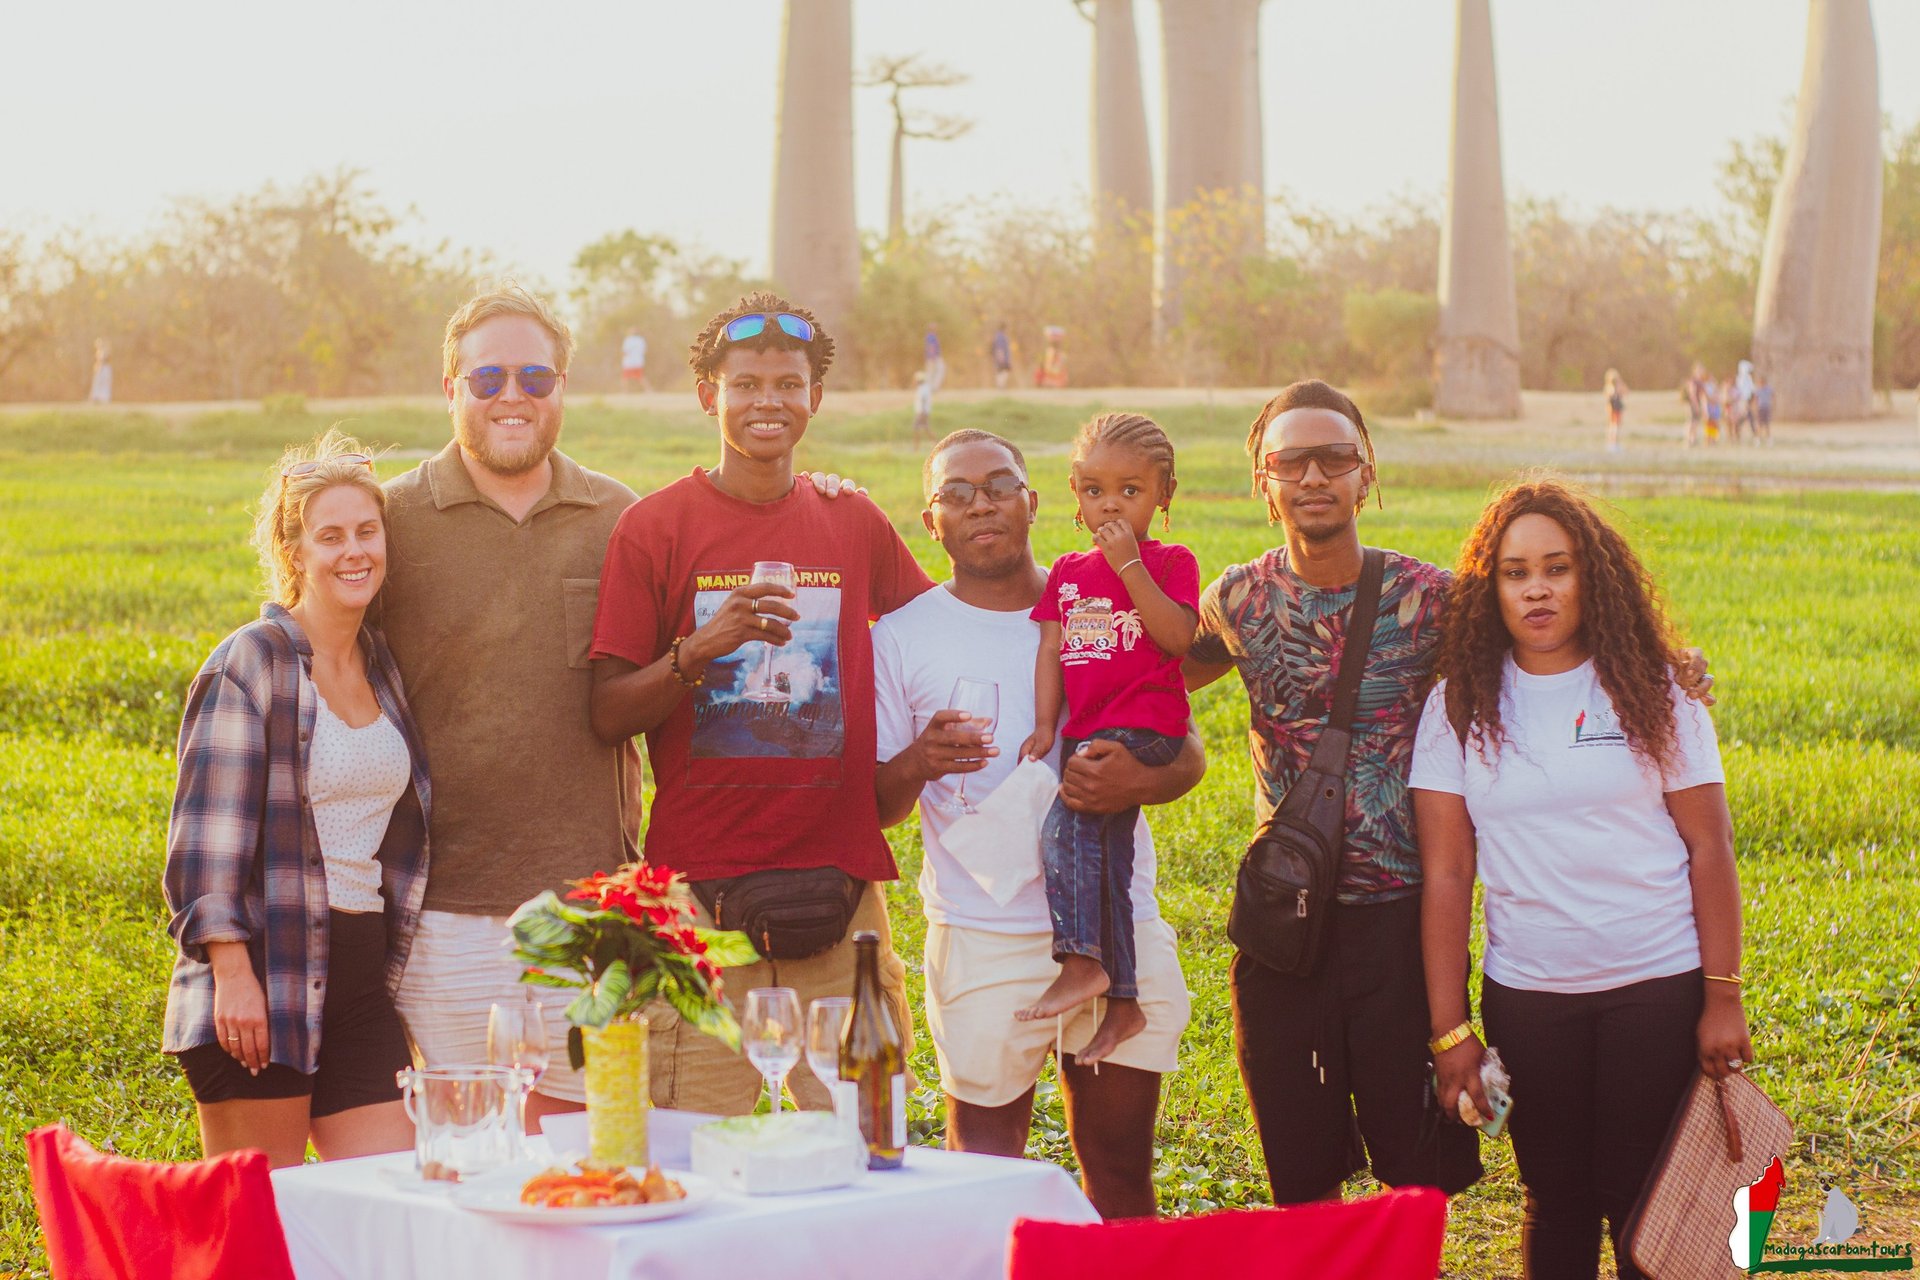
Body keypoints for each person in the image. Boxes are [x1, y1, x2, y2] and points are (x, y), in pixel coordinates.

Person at [588, 292, 934, 1114]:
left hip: (843, 899)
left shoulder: (851, 520)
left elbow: (936, 633)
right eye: (746, 384)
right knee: (695, 1158)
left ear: (815, 397)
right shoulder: (655, 528)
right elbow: (606, 713)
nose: (767, 402)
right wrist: (701, 649)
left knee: (860, 1153)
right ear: (709, 395)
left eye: (788, 383)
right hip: (700, 901)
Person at [1412, 478, 1751, 1280]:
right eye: (1515, 571)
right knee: (1555, 1198)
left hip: (1656, 986)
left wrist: (1723, 995)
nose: (1537, 588)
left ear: (1590, 577)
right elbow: (1448, 872)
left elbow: (1710, 849)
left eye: (1557, 568)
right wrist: (1450, 1030)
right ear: (1489, 587)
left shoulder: (1657, 691)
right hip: (1530, 994)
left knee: (1646, 1201)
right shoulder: (1458, 705)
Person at [873, 428, 1203, 1218]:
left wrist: (1136, 780)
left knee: (1121, 1173)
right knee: (981, 1179)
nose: (980, 503)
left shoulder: (1105, 592)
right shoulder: (903, 636)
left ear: (1034, 501)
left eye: (998, 485)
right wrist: (921, 759)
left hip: (1116, 925)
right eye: (956, 492)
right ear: (932, 521)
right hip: (984, 933)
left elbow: (1186, 752)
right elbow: (878, 806)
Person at [1181, 379, 1483, 1205]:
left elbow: (1542, 654)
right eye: (1291, 461)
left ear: (1365, 472)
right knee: (1300, 1166)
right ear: (1263, 480)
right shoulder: (1239, 598)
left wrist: (1668, 674)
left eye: (1334, 457)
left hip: (1402, 918)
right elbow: (1155, 682)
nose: (1313, 477)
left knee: (1417, 1168)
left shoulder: (1430, 600)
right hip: (1286, 924)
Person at [380, 285, 642, 1130]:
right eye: (487, 379)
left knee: (583, 1153)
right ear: (449, 387)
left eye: (534, 376)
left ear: (563, 384)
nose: (512, 397)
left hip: (588, 900)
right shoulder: (393, 519)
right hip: (444, 905)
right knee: (468, 1148)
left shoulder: (618, 515)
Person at [162, 429, 428, 1169]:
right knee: (260, 1226)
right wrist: (233, 974)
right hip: (265, 977)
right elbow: (203, 845)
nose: (354, 552)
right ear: (295, 552)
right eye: (330, 536)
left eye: (367, 532)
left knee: (384, 1202)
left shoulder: (382, 668)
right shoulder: (251, 662)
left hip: (359, 978)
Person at [1017, 413, 1197, 1056]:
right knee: (1109, 865)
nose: (1110, 505)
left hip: (1147, 727)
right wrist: (1045, 726)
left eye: (1130, 491)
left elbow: (1178, 640)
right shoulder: (1065, 570)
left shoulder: (1170, 561)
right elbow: (1051, 650)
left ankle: (1080, 962)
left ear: (1163, 494)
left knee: (1065, 829)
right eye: (1094, 491)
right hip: (1086, 730)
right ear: (1074, 493)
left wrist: (1128, 568)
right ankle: (1123, 1002)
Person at [1602, 369, 1627, 452]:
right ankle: (1612, 443)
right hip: (1614, 409)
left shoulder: (1611, 387)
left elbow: (1625, 392)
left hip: (1616, 409)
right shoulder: (1611, 388)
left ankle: (1613, 443)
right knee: (1614, 426)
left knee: (1614, 426)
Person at [990, 323, 1014, 390]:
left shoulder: (999, 336)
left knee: (1001, 371)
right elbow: (999, 348)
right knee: (1002, 371)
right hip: (1002, 357)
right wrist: (1001, 357)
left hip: (1002, 357)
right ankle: (1000, 385)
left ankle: (1001, 385)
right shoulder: (1000, 337)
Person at [88, 339, 112, 404]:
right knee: (98, 384)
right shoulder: (100, 351)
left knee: (101, 383)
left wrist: (99, 369)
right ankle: (97, 398)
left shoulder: (103, 351)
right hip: (101, 369)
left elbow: (102, 361)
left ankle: (102, 398)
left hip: (103, 369)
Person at [911, 370, 933, 443]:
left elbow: (923, 401)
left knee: (916, 428)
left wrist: (922, 414)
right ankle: (935, 443)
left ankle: (916, 447)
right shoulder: (924, 388)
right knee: (926, 429)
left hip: (922, 412)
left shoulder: (923, 389)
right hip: (923, 412)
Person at [924, 325, 946, 393]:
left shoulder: (930, 336)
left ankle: (930, 388)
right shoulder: (931, 337)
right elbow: (931, 346)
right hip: (934, 357)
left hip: (931, 357)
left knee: (930, 373)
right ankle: (933, 388)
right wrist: (932, 356)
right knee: (939, 370)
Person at [1753, 374, 1774, 444]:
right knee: (1759, 424)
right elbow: (1755, 399)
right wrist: (1755, 408)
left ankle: (1768, 439)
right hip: (1760, 408)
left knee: (1767, 424)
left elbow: (1773, 397)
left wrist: (1773, 406)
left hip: (1766, 407)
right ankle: (1757, 439)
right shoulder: (1758, 390)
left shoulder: (1769, 389)